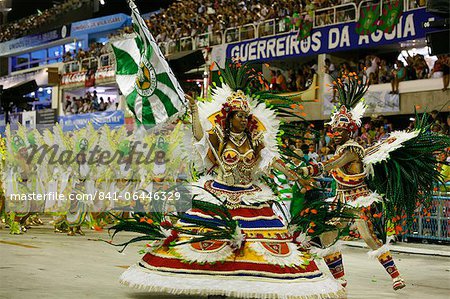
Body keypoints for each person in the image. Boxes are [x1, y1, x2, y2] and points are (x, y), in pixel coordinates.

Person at [115, 63, 345, 298]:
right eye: (240, 116)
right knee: (215, 243)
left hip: (250, 196)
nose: (244, 120)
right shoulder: (220, 139)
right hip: (219, 194)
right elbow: (199, 138)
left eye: (247, 116)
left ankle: (245, 282)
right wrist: (194, 111)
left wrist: (298, 176)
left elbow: (274, 161)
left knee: (257, 246)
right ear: (230, 117)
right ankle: (215, 281)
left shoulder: (256, 141)